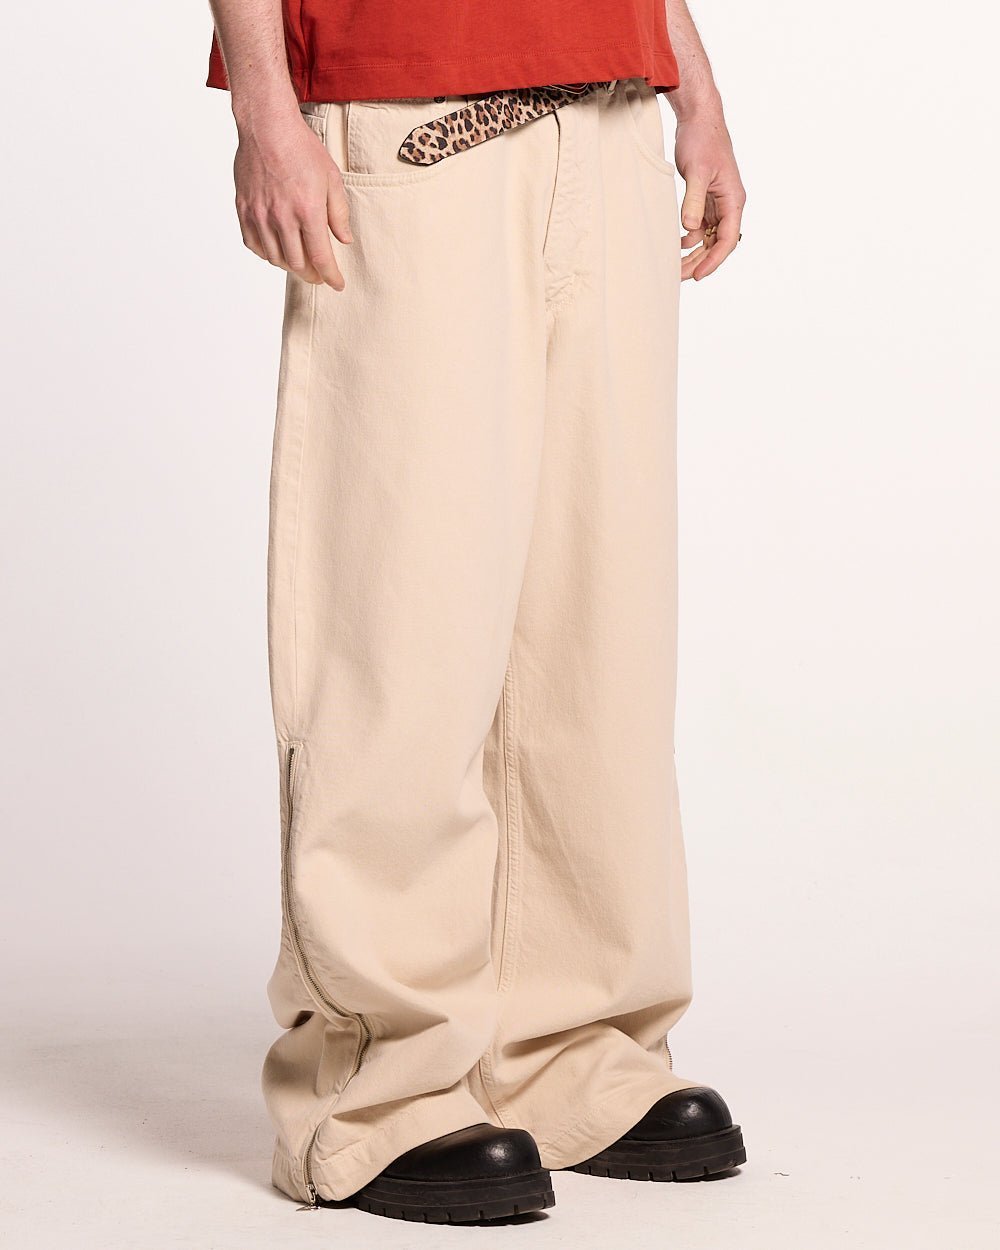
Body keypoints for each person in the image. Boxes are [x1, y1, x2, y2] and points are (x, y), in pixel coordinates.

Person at [205, 0, 747, 1225]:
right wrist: (265, 111)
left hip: (607, 104)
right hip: (407, 108)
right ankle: (377, 1083)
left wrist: (691, 84)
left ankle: (571, 1050)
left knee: (593, 628)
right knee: (403, 613)